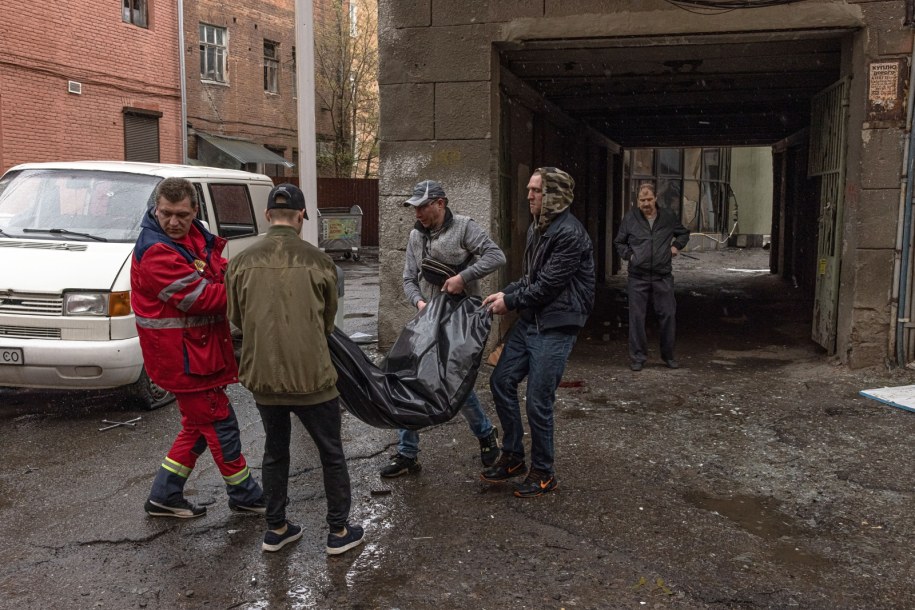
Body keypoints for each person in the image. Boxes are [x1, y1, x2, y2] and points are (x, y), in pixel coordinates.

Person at [226, 183, 364, 555]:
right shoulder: (322, 263)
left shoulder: (240, 261)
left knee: (275, 450)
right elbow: (328, 324)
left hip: (264, 378)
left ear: (268, 216)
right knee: (330, 451)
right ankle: (338, 532)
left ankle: (277, 528)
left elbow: (236, 319)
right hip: (313, 377)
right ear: (302, 216)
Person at [131, 177, 264, 519]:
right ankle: (245, 495)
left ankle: (164, 495)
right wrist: (254, 287)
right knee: (220, 424)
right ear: (155, 209)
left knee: (198, 427)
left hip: (194, 354)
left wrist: (240, 275)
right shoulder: (156, 251)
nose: (173, 222)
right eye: (166, 214)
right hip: (185, 359)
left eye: (181, 215)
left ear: (194, 212)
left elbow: (218, 273)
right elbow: (202, 298)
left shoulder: (190, 237)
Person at [379, 179, 507, 478]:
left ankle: (486, 434)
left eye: (423, 206)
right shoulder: (415, 236)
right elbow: (409, 278)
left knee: (452, 381)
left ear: (440, 203)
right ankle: (407, 453)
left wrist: (463, 277)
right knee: (410, 378)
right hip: (428, 318)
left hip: (461, 318)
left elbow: (496, 256)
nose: (417, 213)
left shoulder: (464, 227)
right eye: (414, 208)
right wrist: (420, 303)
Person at [481, 167, 595, 498]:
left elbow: (546, 287)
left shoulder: (570, 234)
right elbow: (531, 278)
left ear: (554, 197)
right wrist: (504, 293)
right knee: (500, 381)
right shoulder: (538, 229)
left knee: (538, 401)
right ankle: (514, 456)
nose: (528, 195)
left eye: (535, 191)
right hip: (533, 319)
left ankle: (544, 473)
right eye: (530, 190)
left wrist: (511, 301)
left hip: (557, 325)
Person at [613, 182, 691, 371]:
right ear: (637, 201)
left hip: (662, 275)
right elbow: (619, 242)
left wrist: (675, 247)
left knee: (668, 315)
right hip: (637, 277)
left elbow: (683, 234)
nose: (646, 203)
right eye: (642, 200)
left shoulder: (667, 217)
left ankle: (669, 356)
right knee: (637, 317)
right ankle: (638, 357)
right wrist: (630, 256)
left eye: (649, 199)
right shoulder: (630, 218)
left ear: (655, 198)